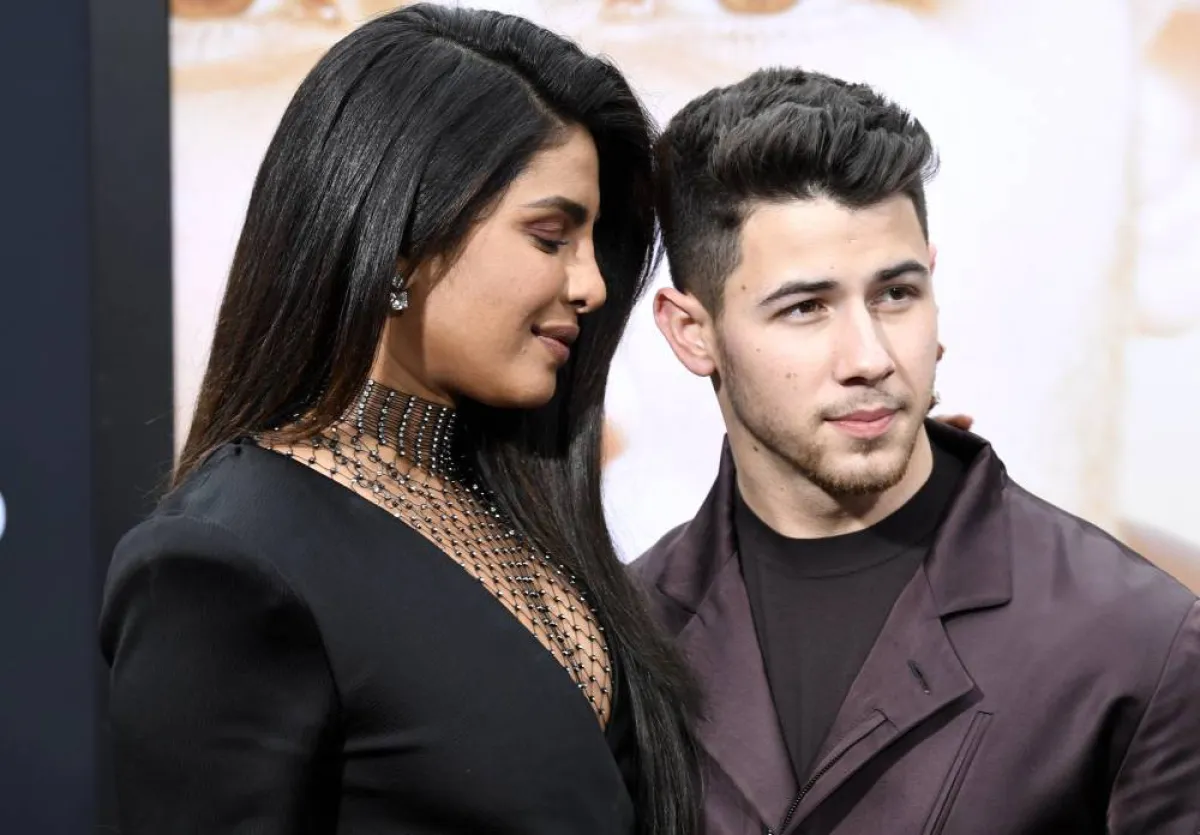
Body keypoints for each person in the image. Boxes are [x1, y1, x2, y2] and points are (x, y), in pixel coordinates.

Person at [98, 6, 701, 834]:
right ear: (400, 240)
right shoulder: (226, 564)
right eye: (551, 234)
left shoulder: (523, 516)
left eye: (594, 243)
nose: (592, 285)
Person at [634, 67, 1200, 834]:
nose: (869, 355)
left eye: (896, 294)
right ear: (690, 331)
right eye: (806, 307)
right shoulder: (622, 636)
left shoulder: (1139, 639)